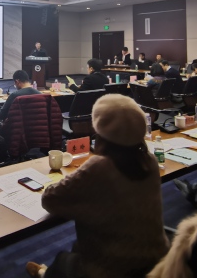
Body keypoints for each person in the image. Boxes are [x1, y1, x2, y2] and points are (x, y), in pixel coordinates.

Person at [25, 94, 169, 278]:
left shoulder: (100, 166)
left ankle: (44, 274)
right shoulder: (150, 161)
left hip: (113, 269)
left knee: (62, 261)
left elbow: (50, 199)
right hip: (158, 261)